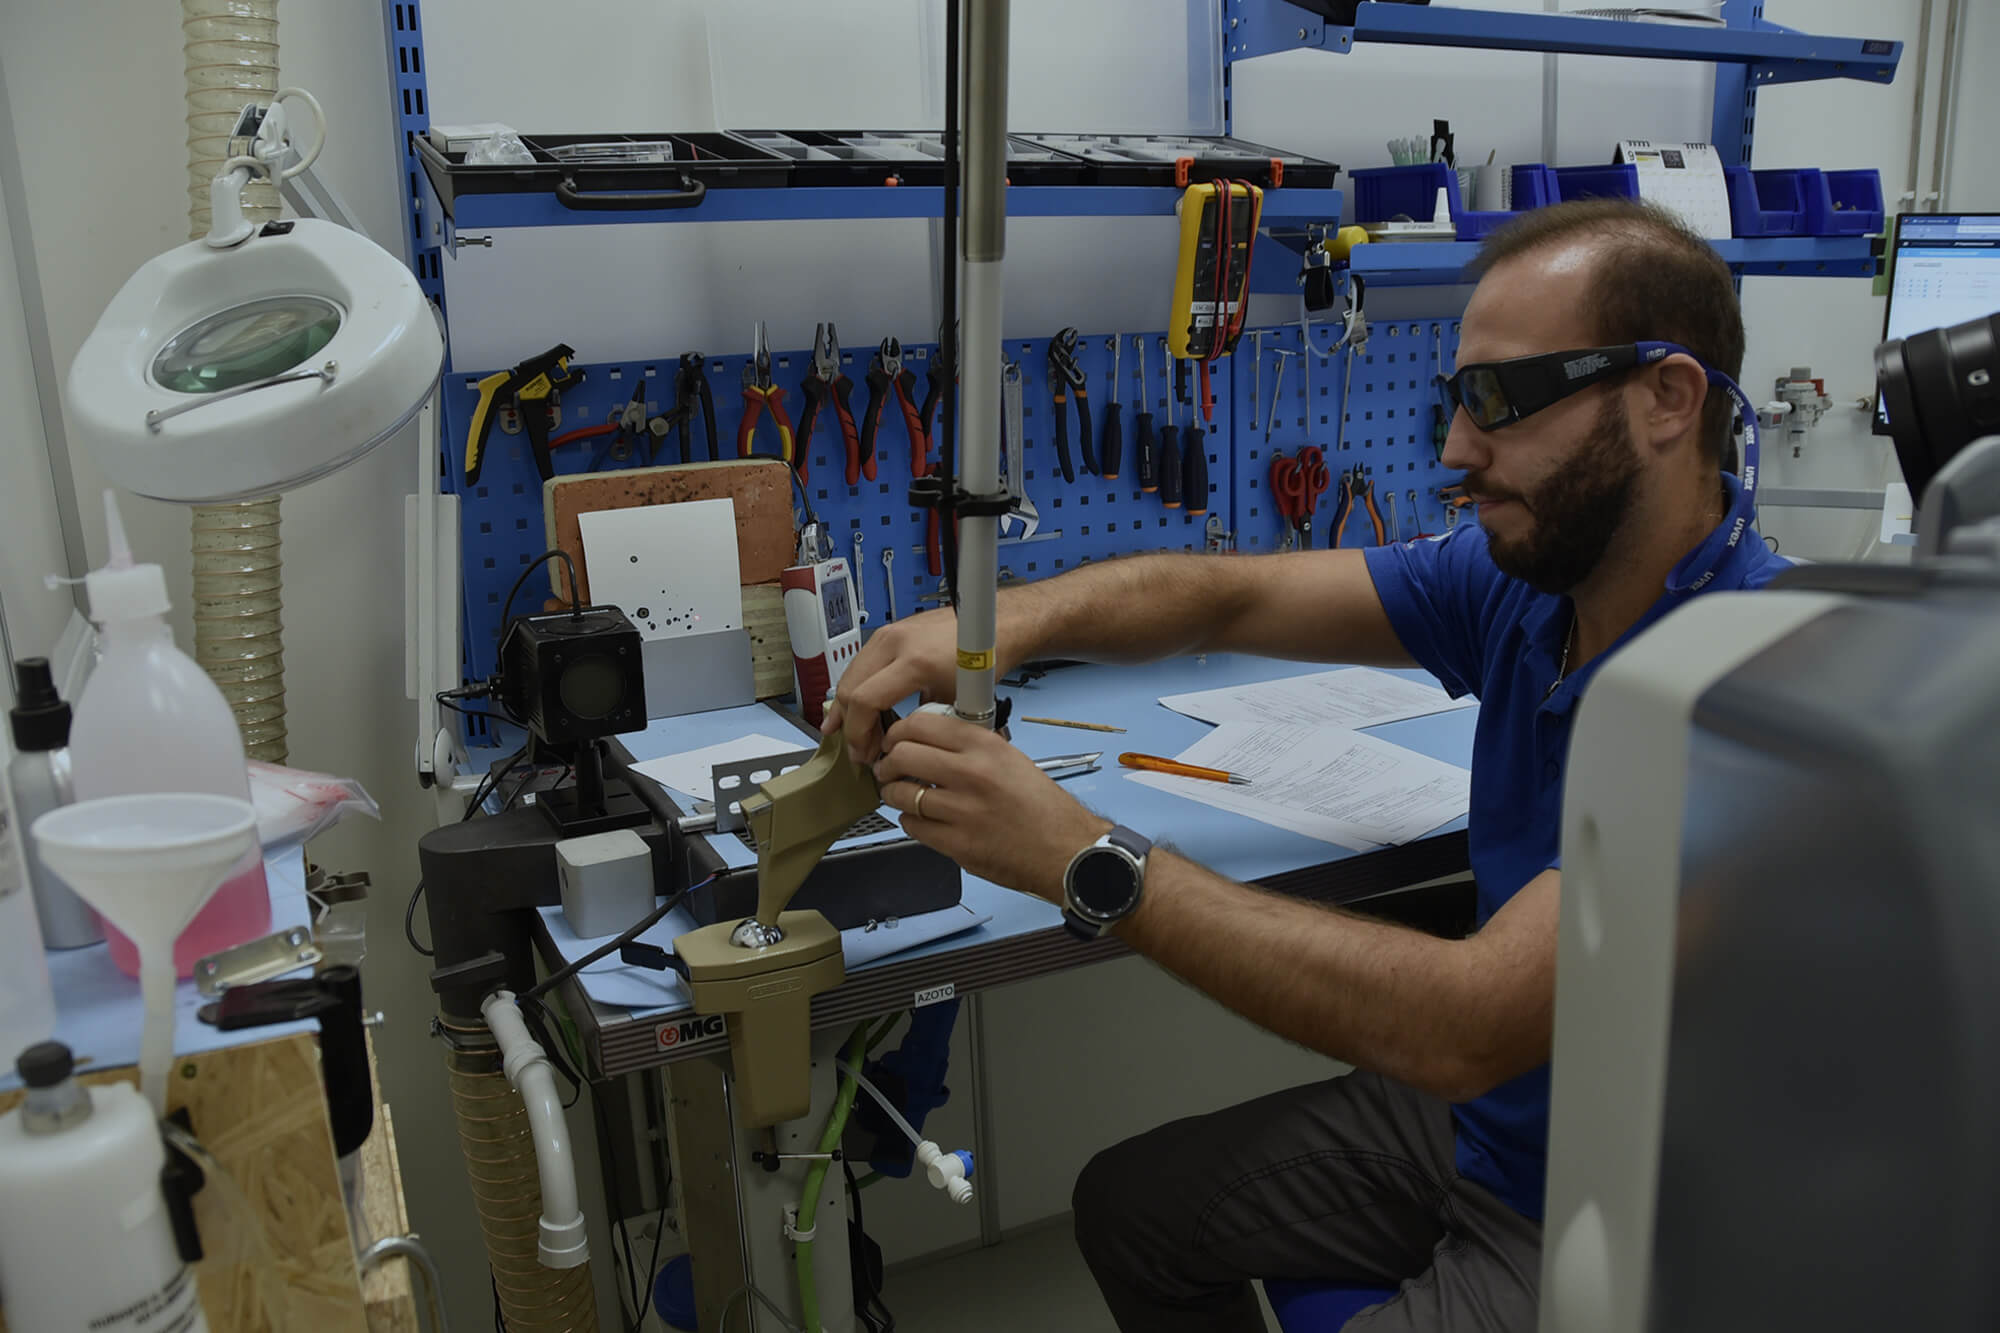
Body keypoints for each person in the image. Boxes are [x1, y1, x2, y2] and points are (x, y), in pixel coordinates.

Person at [824, 197, 1787, 1331]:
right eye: (1451, 399)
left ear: (1665, 399)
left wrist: (1079, 852)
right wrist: (988, 625)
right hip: (1485, 1126)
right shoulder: (1523, 586)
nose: (1452, 451)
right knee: (1131, 1209)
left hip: (1618, 1213)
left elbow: (1462, 1025)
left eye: (1498, 401)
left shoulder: (1756, 696)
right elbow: (1225, 593)